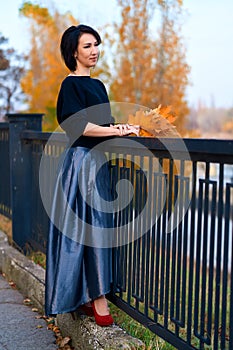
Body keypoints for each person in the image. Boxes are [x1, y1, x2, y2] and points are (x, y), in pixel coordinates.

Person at [45, 24, 138, 327]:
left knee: (96, 228)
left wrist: (123, 128)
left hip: (97, 163)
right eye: (87, 46)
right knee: (89, 230)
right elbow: (79, 127)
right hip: (81, 164)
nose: (94, 50)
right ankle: (98, 300)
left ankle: (87, 296)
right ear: (73, 51)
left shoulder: (98, 86)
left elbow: (103, 125)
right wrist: (112, 130)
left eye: (96, 44)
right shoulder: (70, 85)